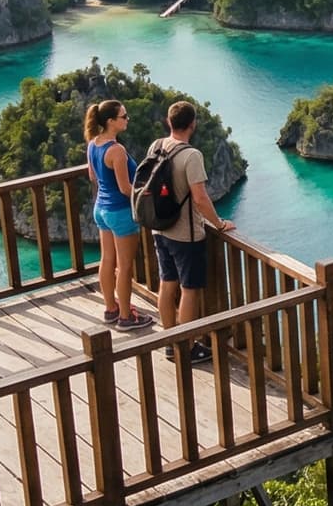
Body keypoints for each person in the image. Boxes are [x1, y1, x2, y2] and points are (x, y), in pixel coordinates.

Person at [145, 98, 234, 360]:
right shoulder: (191, 155)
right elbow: (200, 198)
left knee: (167, 283)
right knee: (190, 288)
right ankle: (186, 346)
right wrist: (218, 223)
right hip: (186, 234)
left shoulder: (157, 145)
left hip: (159, 229)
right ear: (192, 125)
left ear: (169, 122)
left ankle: (170, 341)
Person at [85, 98, 151, 330]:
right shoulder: (117, 150)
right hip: (120, 212)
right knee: (124, 267)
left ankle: (111, 309)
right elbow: (125, 188)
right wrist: (146, 193)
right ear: (111, 121)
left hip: (101, 209)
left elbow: (93, 176)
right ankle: (126, 316)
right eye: (124, 116)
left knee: (107, 259)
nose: (127, 119)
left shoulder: (93, 143)